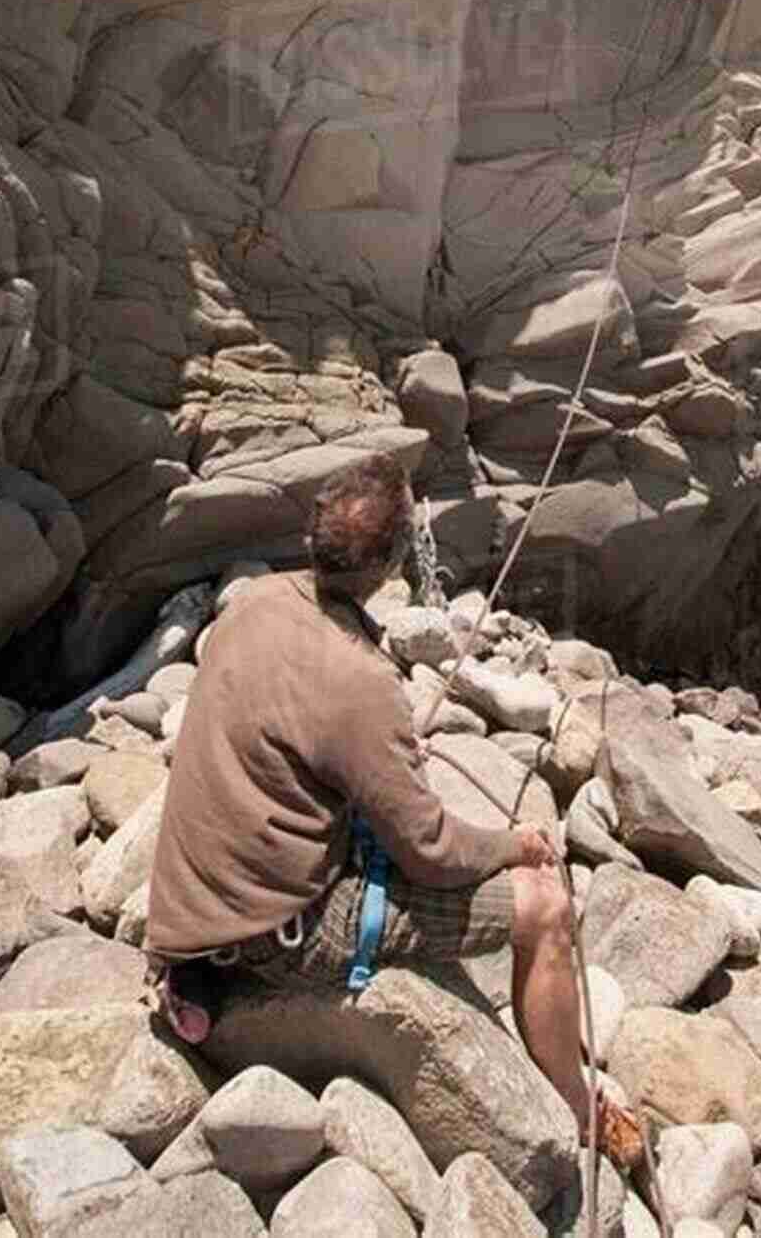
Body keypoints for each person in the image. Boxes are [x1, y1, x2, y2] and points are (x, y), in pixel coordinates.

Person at [144, 450, 642, 1171]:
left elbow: (290, 732)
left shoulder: (256, 602)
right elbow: (430, 851)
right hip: (276, 932)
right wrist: (517, 844)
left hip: (190, 909)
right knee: (543, 905)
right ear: (390, 564)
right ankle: (573, 1105)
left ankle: (201, 977)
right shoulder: (360, 682)